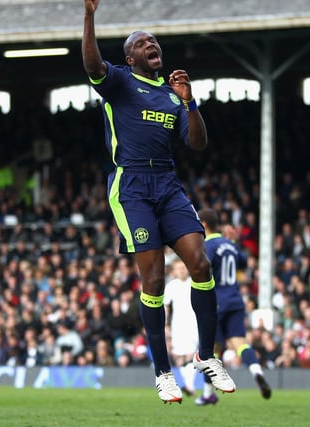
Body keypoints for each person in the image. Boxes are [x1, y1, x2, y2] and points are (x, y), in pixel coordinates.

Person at [82, 0, 235, 404]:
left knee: (200, 264)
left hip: (167, 183)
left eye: (155, 41)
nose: (153, 45)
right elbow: (92, 65)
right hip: (130, 184)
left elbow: (197, 143)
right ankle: (163, 372)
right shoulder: (117, 82)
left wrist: (189, 101)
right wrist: (90, 16)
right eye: (143, 42)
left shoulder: (171, 94)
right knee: (152, 280)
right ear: (130, 56)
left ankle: (207, 356)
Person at [196, 208, 272, 405]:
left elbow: (203, 268)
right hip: (236, 300)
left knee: (209, 349)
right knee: (240, 343)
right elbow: (244, 263)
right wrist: (233, 242)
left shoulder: (207, 246)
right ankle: (257, 371)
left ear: (204, 224)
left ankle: (207, 393)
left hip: (217, 301)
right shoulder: (229, 245)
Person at [164, 258, 199, 396]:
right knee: (179, 356)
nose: (181, 270)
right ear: (174, 271)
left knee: (190, 354)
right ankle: (188, 386)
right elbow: (166, 305)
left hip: (193, 323)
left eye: (183, 267)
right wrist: (166, 323)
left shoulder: (194, 283)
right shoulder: (171, 286)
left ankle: (190, 386)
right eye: (178, 268)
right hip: (177, 324)